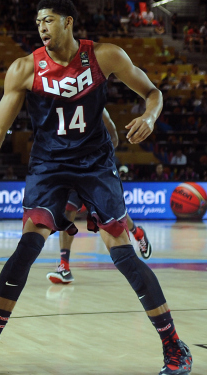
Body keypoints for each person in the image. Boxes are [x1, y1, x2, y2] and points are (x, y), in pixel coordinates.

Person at [0, 1, 192, 375]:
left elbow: (153, 92)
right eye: (38, 22)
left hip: (95, 164)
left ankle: (174, 346)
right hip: (49, 166)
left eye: (48, 20)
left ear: (67, 22)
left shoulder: (105, 56)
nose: (41, 27)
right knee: (26, 249)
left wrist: (149, 116)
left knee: (123, 255)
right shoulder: (23, 68)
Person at [47, 109, 152, 284]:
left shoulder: (95, 106)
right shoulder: (58, 109)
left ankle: (138, 233)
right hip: (73, 170)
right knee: (67, 213)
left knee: (112, 216)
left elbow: (115, 139)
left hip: (96, 170)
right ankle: (64, 266)